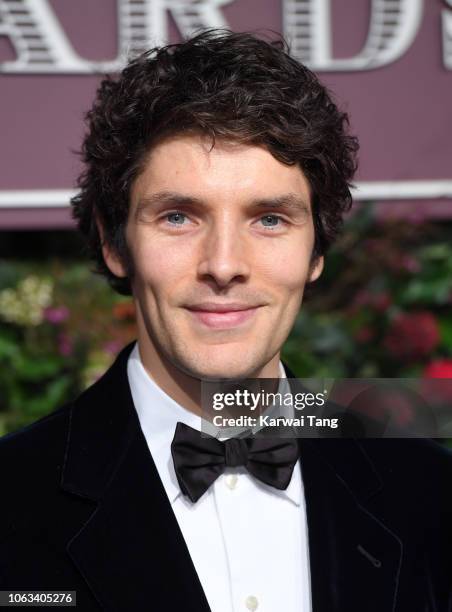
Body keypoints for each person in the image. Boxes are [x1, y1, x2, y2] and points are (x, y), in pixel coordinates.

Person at [0, 29, 451, 612]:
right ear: (115, 244)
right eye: (179, 217)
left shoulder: (429, 491)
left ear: (317, 252)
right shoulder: (11, 501)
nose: (223, 265)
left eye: (268, 220)